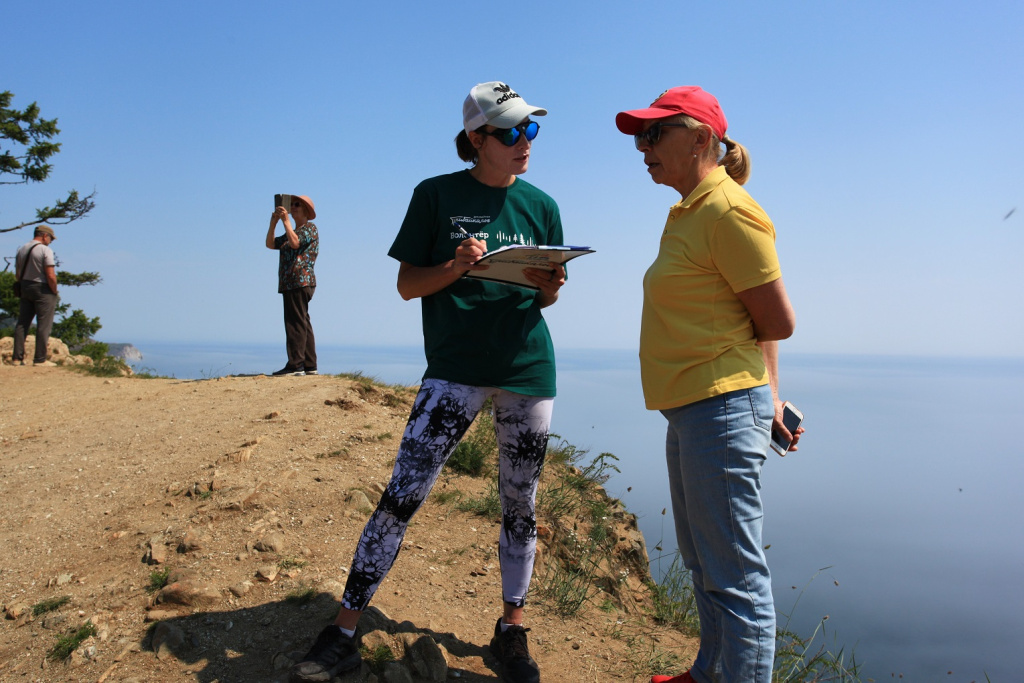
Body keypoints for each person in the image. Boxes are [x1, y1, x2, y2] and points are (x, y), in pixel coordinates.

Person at [290, 81, 565, 683]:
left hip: (527, 369)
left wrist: (549, 286)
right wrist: (454, 267)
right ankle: (342, 629)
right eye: (513, 132)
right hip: (454, 371)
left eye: (531, 129)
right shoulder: (436, 195)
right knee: (402, 497)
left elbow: (544, 292)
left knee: (522, 505)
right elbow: (408, 285)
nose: (526, 143)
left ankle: (510, 629)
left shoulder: (542, 203)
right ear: (476, 139)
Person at [615, 87, 803, 683]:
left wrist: (762, 393)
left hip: (721, 410)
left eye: (654, 134)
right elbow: (747, 315)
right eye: (640, 136)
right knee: (702, 562)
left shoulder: (729, 210)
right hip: (696, 410)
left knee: (737, 579)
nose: (642, 146)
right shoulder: (692, 210)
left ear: (700, 139)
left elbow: (776, 320)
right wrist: (770, 393)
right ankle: (708, 673)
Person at [265, 195, 319, 376]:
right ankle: (310, 365)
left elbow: (295, 243)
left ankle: (296, 365)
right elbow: (270, 244)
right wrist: (274, 222)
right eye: (292, 205)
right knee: (302, 321)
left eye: (297, 205)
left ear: (306, 210)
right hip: (292, 282)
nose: (293, 207)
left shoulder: (309, 229)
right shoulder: (292, 232)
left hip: (299, 281)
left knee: (295, 322)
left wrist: (286, 221)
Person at [12, 225, 59, 367]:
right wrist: (54, 290)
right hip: (42, 288)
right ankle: (40, 359)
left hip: (25, 286)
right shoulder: (45, 250)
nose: (50, 241)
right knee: (44, 324)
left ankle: (17, 358)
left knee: (22, 323)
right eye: (50, 238)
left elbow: (18, 273)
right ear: (45, 236)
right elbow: (50, 274)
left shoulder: (22, 249)